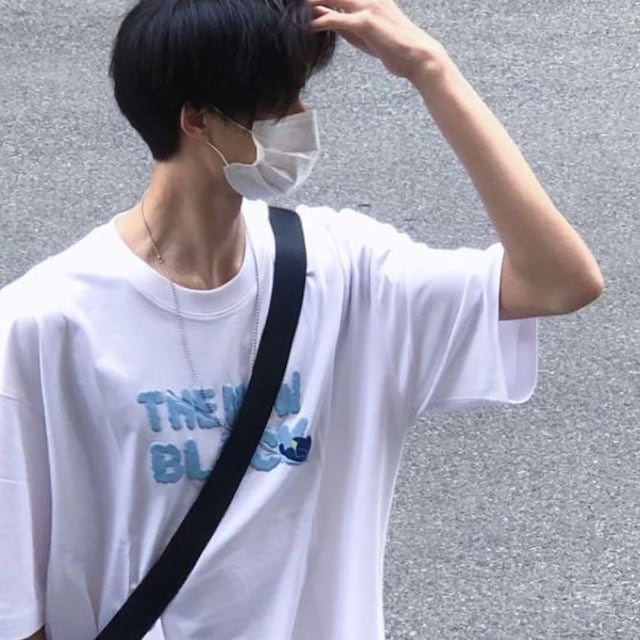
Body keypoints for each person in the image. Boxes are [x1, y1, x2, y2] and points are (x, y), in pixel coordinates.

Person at [0, 1, 604, 639]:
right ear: (197, 120)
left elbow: (560, 282)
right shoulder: (43, 325)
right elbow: (17, 611)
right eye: (278, 103)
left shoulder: (346, 272)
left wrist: (431, 69)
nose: (301, 118)